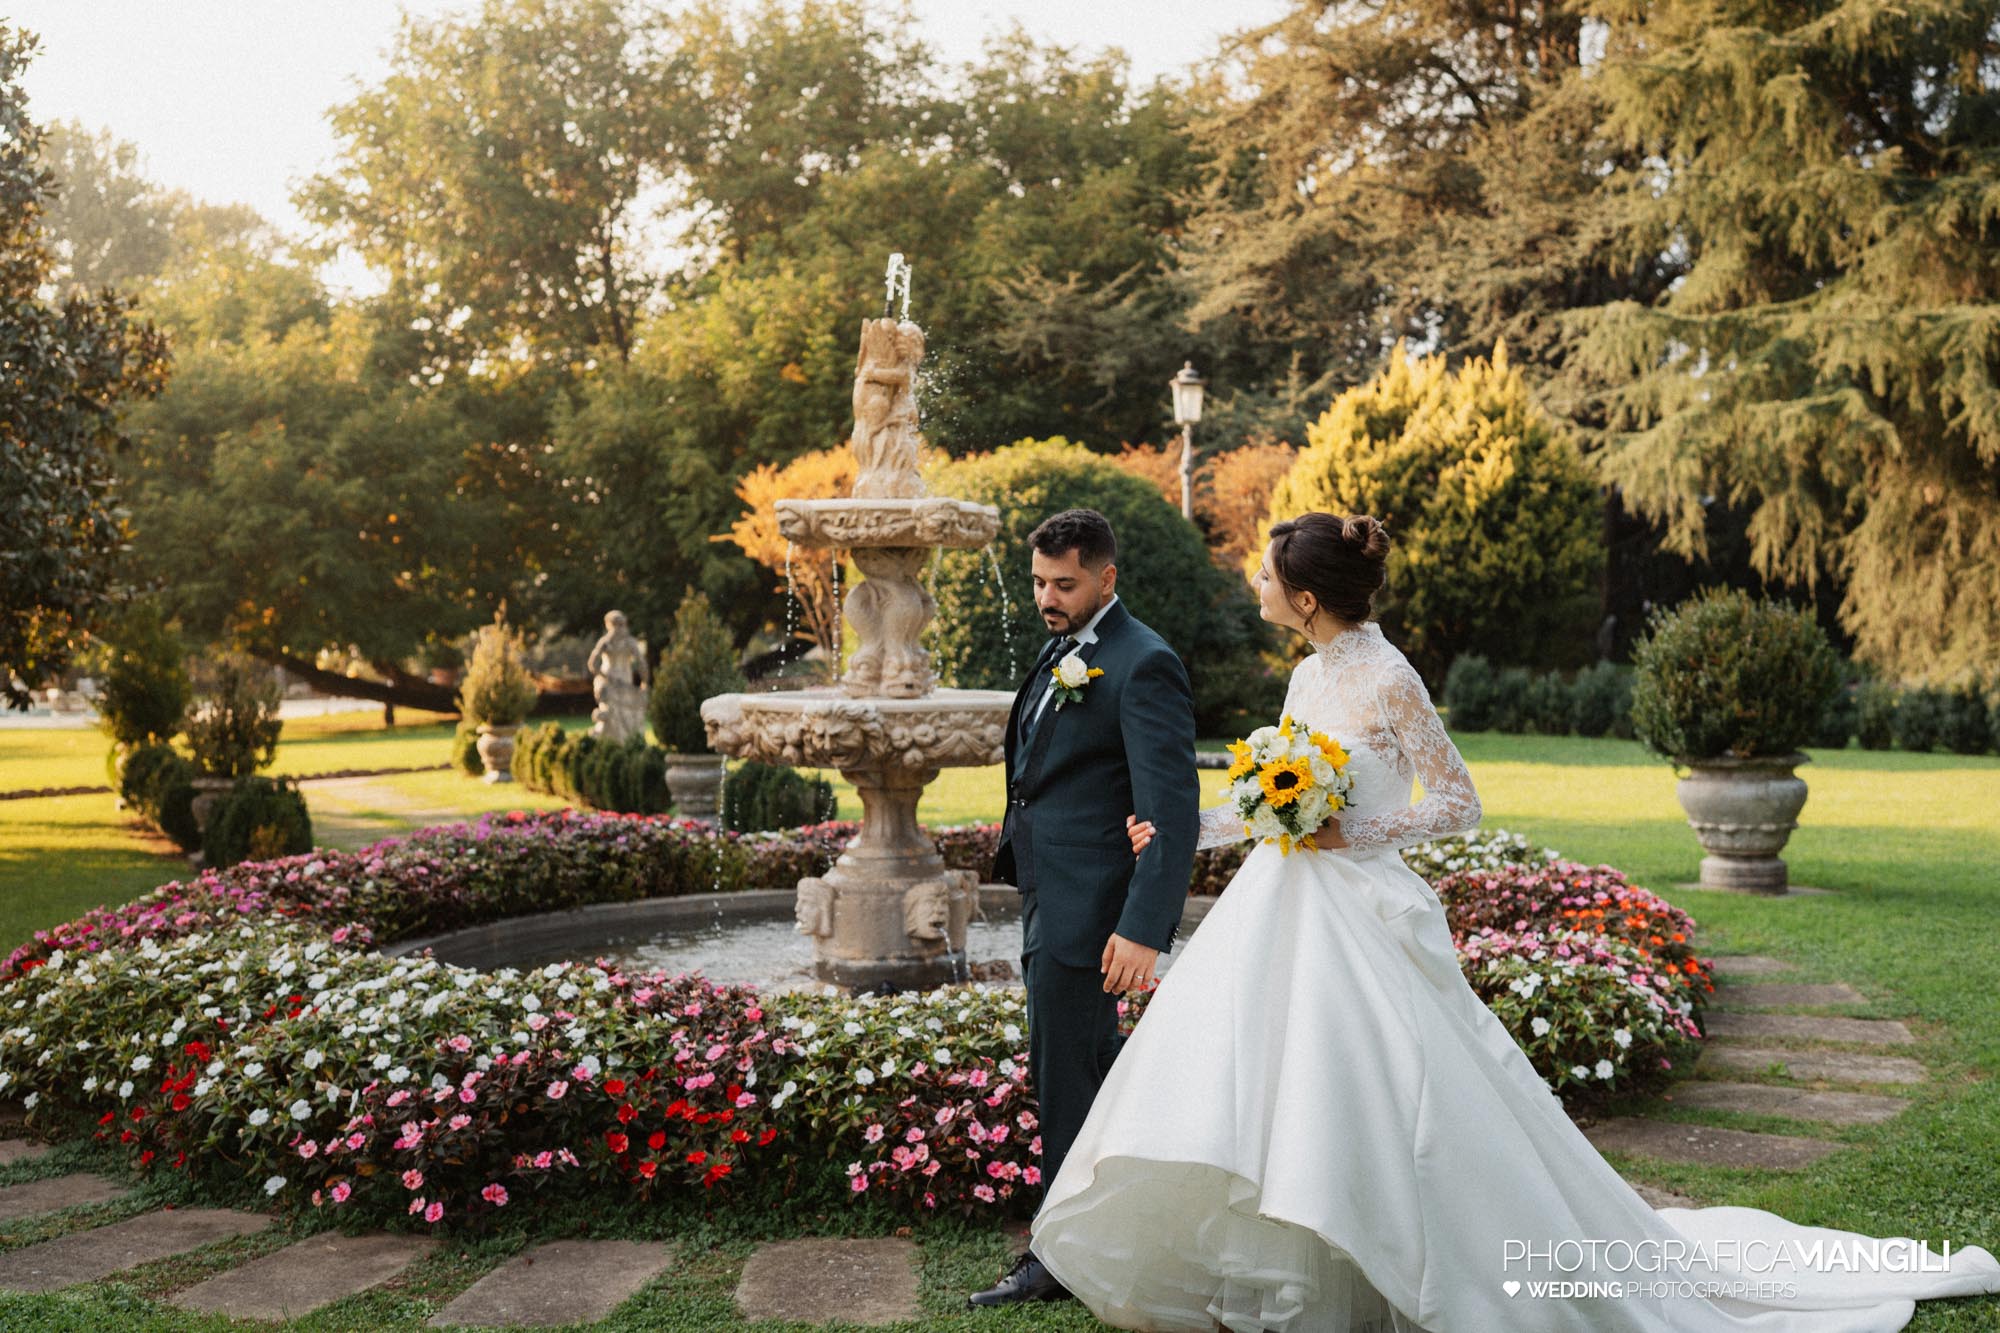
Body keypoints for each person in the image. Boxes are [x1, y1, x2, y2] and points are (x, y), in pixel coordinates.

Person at [1033, 512, 2000, 1331]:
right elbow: (1272, 799)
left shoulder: (1389, 678)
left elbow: (1458, 801)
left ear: (1308, 596)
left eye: (1268, 574)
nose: (1256, 582)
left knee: (1383, 1084)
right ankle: (1300, 1260)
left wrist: (1351, 829)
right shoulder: (1303, 677)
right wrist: (1189, 822)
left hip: (1359, 907)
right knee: (1280, 1081)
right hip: (1284, 904)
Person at [970, 507, 1201, 1309]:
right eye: (1038, 581)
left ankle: (1058, 1258)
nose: (1047, 596)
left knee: (1069, 1078)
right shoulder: (1061, 646)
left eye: (1064, 583)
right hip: (1052, 893)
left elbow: (1170, 808)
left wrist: (1142, 927)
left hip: (1095, 914)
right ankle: (1094, 1237)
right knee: (1072, 1072)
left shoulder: (1144, 663)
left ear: (1107, 576)